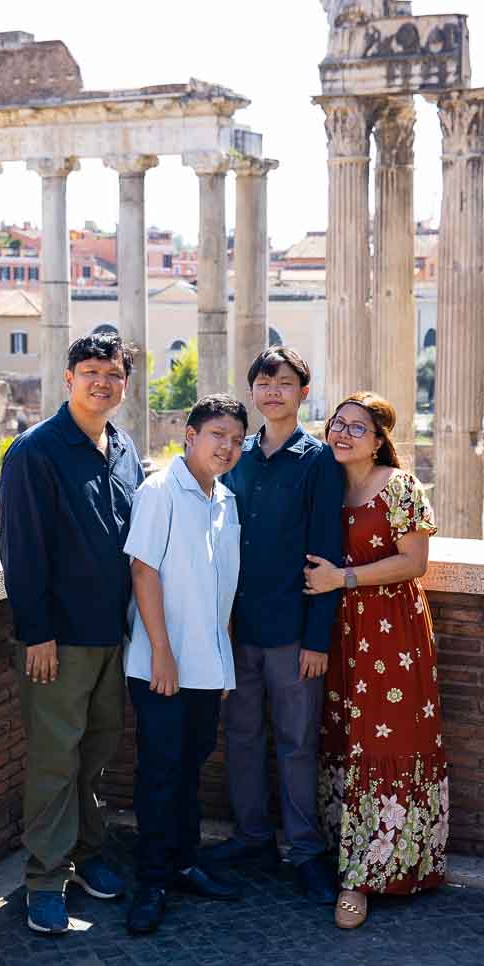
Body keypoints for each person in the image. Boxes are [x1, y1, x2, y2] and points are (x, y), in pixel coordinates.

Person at [0, 333, 144, 935]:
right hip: (58, 640)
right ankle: (43, 879)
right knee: (55, 760)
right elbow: (22, 549)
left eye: (112, 374)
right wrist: (37, 634)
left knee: (95, 755)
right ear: (67, 379)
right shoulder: (35, 451)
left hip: (113, 634)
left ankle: (85, 853)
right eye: (90, 372)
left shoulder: (124, 447)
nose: (101, 383)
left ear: (125, 384)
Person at [201, 348, 344, 903]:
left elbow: (326, 555)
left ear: (303, 393)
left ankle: (305, 851)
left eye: (284, 383)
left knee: (298, 742)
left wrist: (316, 638)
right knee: (239, 738)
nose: (273, 392)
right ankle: (253, 836)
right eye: (263, 383)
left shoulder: (319, 463)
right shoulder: (237, 457)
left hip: (292, 632)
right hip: (238, 629)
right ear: (253, 391)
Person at [304, 391, 447, 930]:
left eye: (356, 427)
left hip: (392, 633)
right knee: (342, 738)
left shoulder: (400, 486)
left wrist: (342, 578)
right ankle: (342, 856)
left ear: (379, 438)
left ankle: (366, 875)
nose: (342, 433)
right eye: (337, 423)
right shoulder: (325, 483)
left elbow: (414, 561)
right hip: (339, 632)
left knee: (389, 740)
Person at [123, 395, 248, 935]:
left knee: (189, 771)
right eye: (217, 435)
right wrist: (163, 654)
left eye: (237, 440)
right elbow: (143, 572)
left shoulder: (226, 500)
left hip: (206, 664)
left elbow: (221, 593)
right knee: (159, 773)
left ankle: (184, 863)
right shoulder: (160, 492)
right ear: (190, 436)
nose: (227, 447)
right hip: (162, 666)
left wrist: (219, 666)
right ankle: (150, 881)